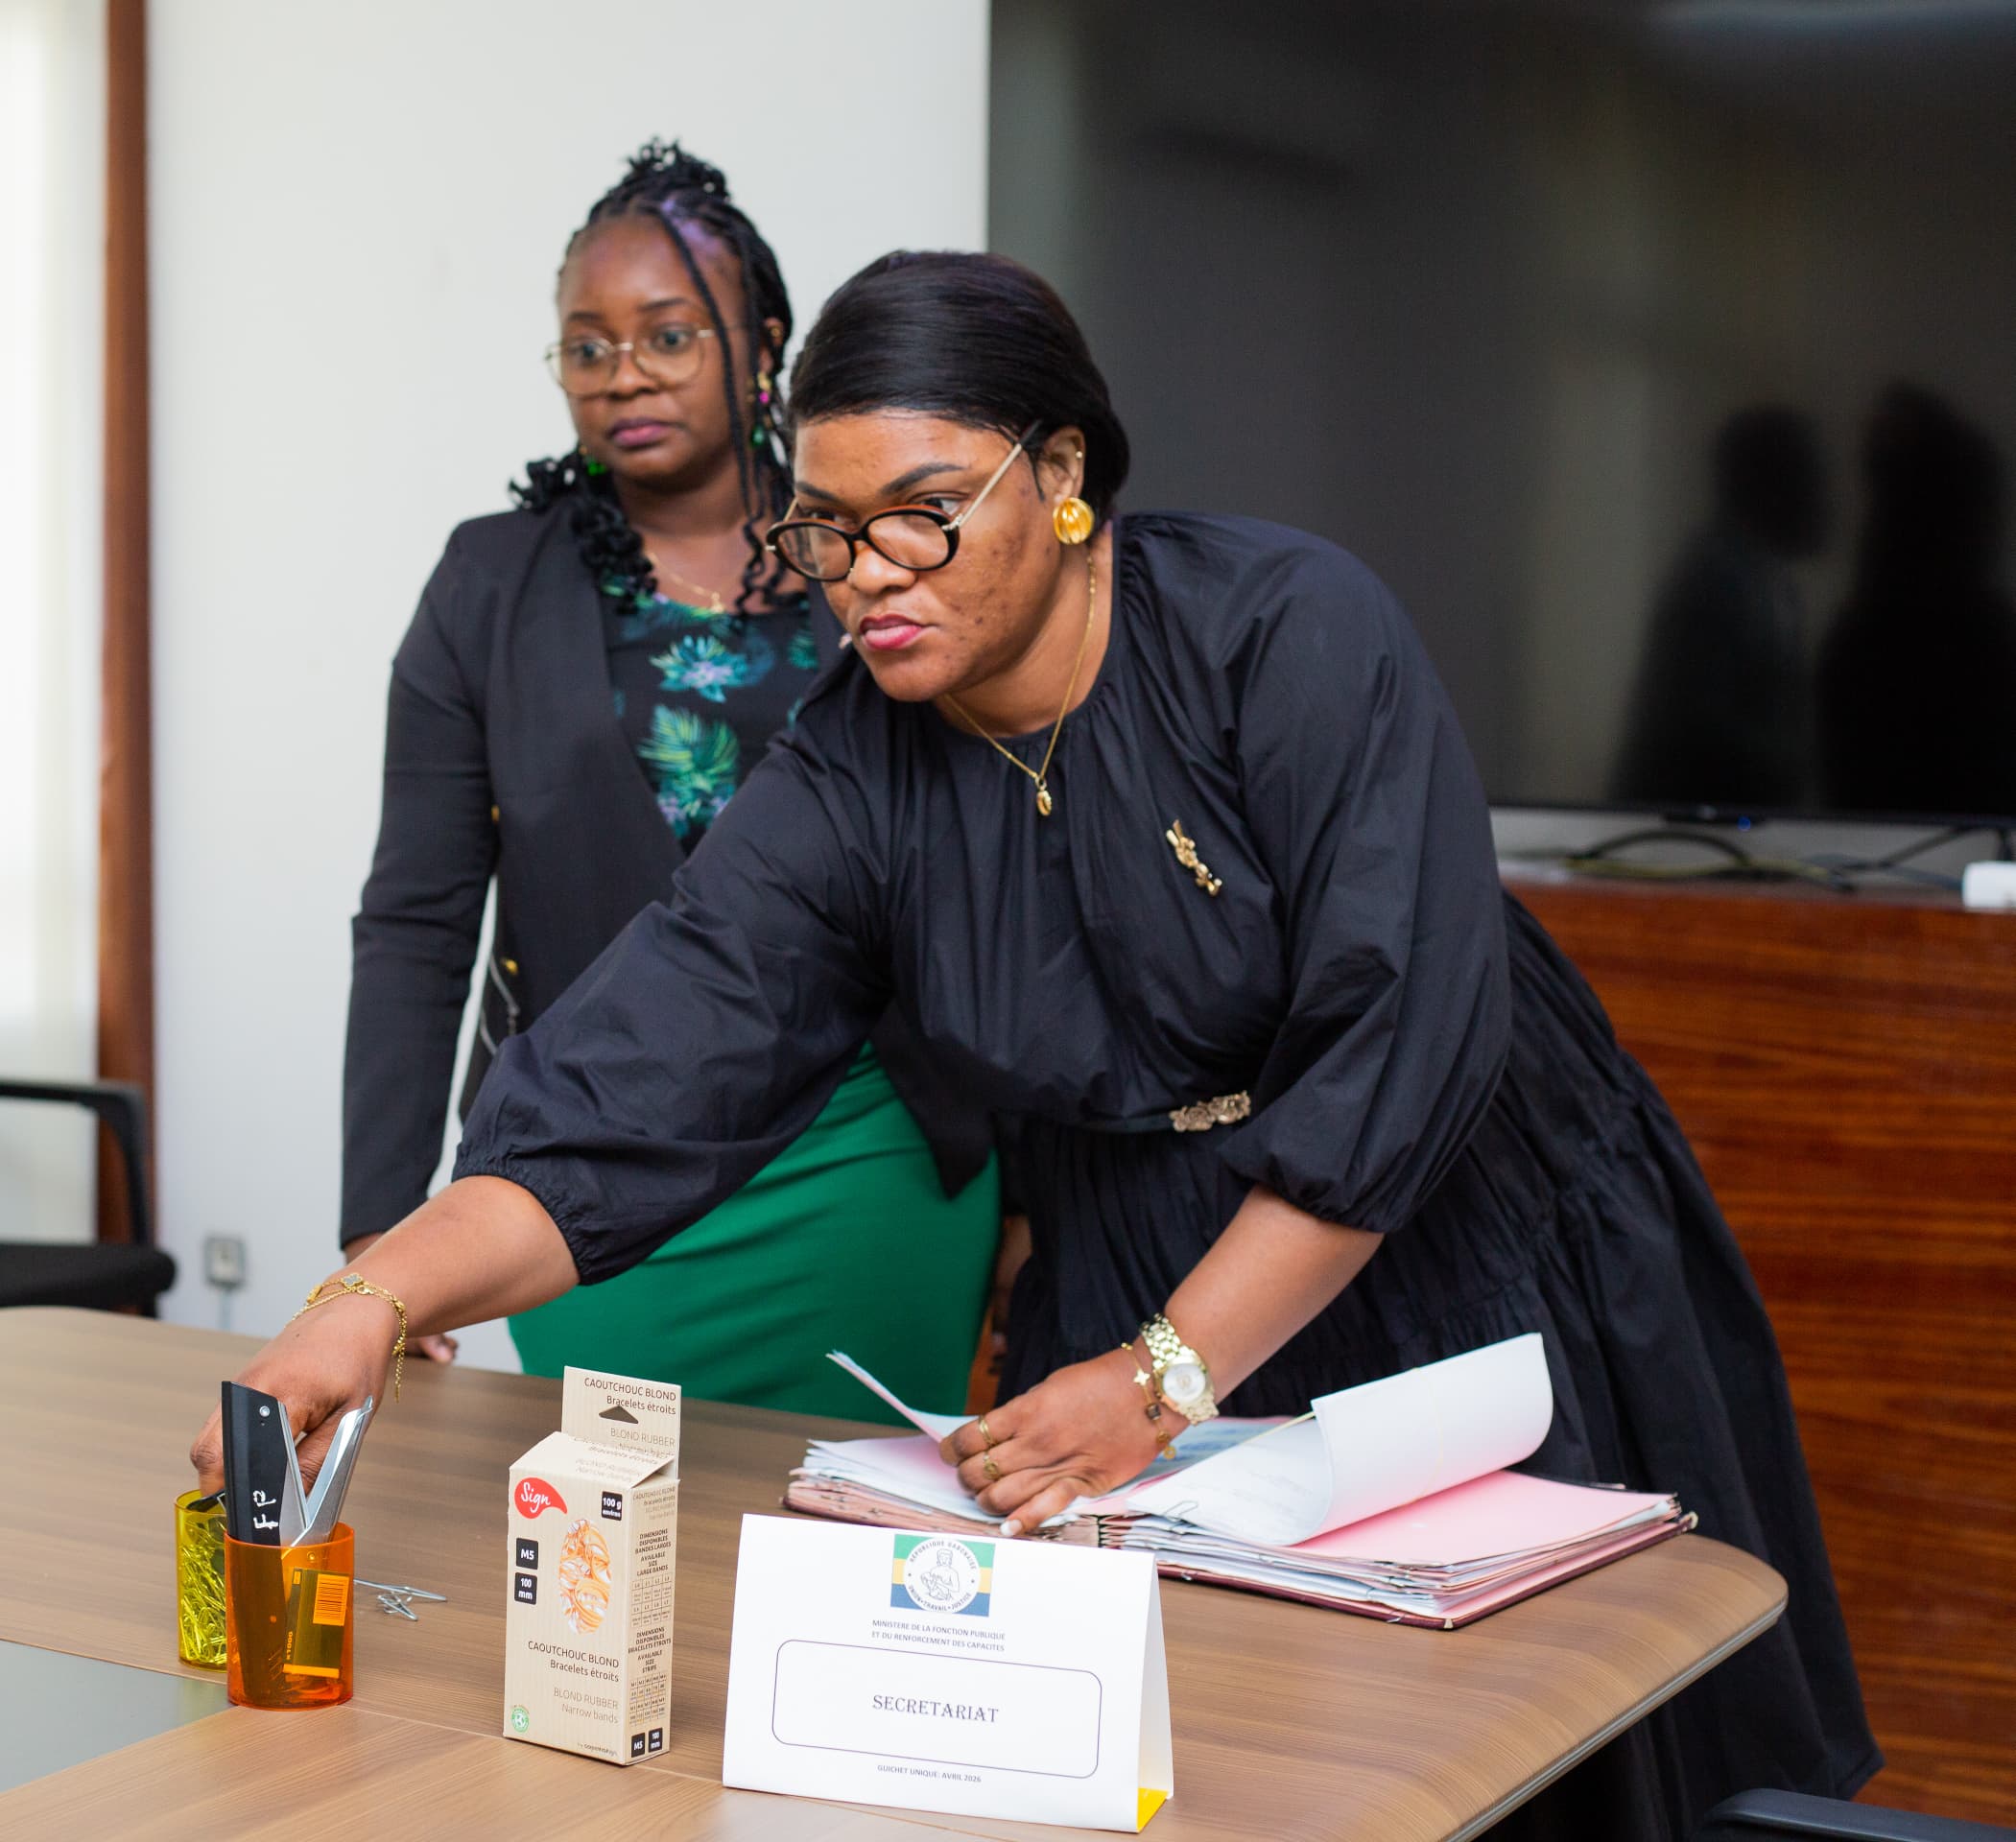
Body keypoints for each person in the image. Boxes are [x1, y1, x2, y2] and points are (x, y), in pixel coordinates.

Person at [200, 250, 1878, 1838]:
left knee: (1521, 1749)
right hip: (1130, 1248)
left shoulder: (1284, 628)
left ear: (1061, 472)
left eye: (923, 514)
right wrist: (367, 1305)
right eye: (827, 531)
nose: (870, 575)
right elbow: (639, 1071)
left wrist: (1164, 1378)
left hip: (1451, 1231)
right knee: (1189, 1763)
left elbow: (1398, 1044)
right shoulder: (849, 776)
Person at [337, 146, 1000, 1418]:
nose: (623, 372)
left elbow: (999, 859)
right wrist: (383, 1234)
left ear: (762, 346)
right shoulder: (487, 585)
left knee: (855, 1507)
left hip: (870, 1141)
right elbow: (416, 917)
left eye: (667, 335)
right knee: (613, 1515)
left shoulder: (875, 556)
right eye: (586, 347)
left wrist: (1046, 1187)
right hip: (592, 1148)